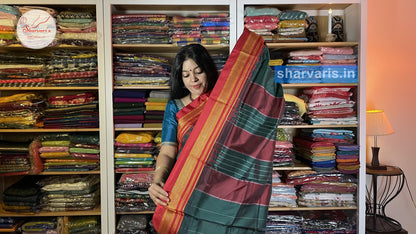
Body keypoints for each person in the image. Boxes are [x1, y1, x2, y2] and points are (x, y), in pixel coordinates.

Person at [148, 44, 219, 206]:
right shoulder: (175, 107)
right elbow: (167, 151)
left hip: (220, 181)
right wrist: (158, 179)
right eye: (186, 75)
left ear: (208, 70)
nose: (193, 79)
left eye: (198, 72)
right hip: (185, 182)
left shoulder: (223, 102)